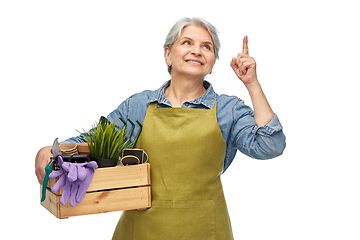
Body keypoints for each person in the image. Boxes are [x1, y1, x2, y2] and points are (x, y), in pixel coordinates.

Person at [35, 17, 286, 240]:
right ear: (168, 54)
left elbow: (270, 145)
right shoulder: (139, 105)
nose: (197, 50)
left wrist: (252, 84)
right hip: (142, 231)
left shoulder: (227, 109)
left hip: (206, 231)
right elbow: (95, 141)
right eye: (187, 42)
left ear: (212, 63)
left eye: (206, 47)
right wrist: (48, 151)